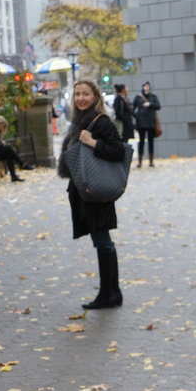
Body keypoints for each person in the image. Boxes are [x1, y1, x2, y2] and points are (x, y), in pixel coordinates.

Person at [58, 80, 125, 309]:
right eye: (77, 94)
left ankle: (110, 294)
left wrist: (93, 142)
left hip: (97, 189)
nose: (81, 98)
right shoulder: (78, 122)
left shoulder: (101, 121)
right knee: (101, 241)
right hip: (86, 190)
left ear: (95, 96)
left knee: (103, 241)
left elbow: (118, 151)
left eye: (85, 94)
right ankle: (110, 292)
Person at [0, 115, 33, 182]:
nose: (2, 128)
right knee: (8, 149)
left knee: (9, 153)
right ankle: (22, 165)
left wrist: (0, 143)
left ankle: (14, 176)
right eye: (2, 125)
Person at [132, 81, 161, 168]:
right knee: (141, 142)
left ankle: (151, 161)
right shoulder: (138, 97)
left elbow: (158, 106)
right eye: (145, 86)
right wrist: (137, 116)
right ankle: (140, 162)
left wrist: (150, 104)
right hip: (141, 123)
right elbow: (133, 109)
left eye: (148, 86)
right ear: (143, 87)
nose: (147, 87)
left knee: (151, 142)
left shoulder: (153, 96)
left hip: (151, 122)